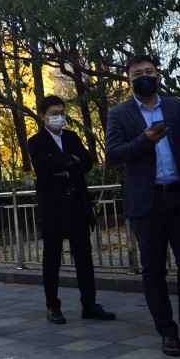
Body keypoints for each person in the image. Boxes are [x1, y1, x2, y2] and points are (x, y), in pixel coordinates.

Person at [106, 55, 180, 357]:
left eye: (150, 71)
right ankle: (168, 333)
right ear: (129, 80)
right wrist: (144, 140)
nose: (144, 76)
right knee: (153, 271)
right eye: (137, 73)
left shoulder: (173, 107)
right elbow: (114, 154)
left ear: (158, 76)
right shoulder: (119, 114)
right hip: (147, 203)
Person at [28, 95, 115, 325]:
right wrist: (70, 161)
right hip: (53, 207)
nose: (59, 117)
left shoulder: (73, 137)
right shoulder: (35, 142)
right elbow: (45, 166)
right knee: (52, 258)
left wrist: (65, 168)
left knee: (84, 256)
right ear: (43, 116)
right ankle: (52, 306)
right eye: (54, 113)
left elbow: (86, 162)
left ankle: (89, 304)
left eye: (61, 112)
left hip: (77, 203)